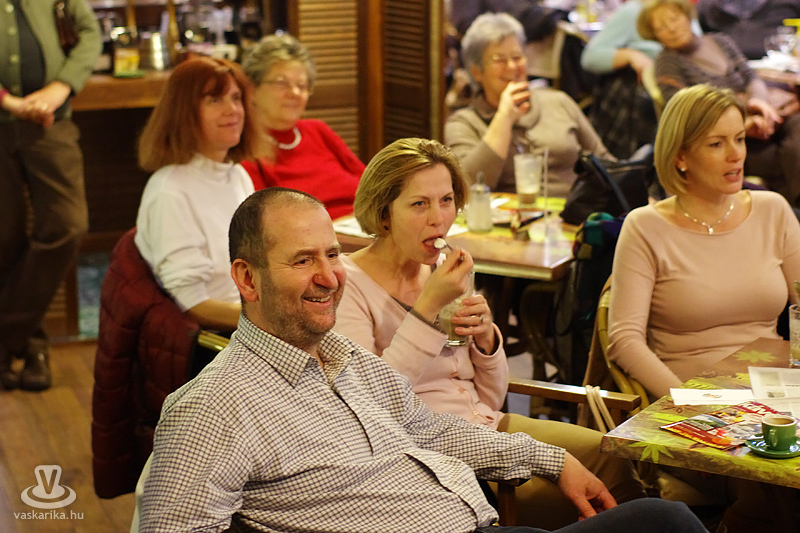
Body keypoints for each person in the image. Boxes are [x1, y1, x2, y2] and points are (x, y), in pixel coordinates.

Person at [138, 186, 707, 533]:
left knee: (666, 521)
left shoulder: (344, 358)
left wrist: (550, 459)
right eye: (302, 261)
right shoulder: (213, 407)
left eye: (333, 255)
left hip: (481, 522)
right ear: (247, 278)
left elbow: (431, 429)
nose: (329, 277)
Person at [332, 137, 646, 529]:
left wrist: (487, 341)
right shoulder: (349, 286)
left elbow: (490, 398)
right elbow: (369, 403)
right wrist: (427, 309)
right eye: (419, 204)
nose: (438, 218)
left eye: (447, 200)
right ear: (383, 214)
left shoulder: (445, 268)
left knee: (612, 458)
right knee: (586, 499)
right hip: (430, 452)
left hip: (487, 423)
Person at [608, 84, 800, 533]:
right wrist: (689, 406)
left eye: (740, 139)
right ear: (681, 157)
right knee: (771, 484)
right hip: (690, 402)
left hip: (774, 397)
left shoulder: (772, 210)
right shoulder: (645, 227)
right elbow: (624, 340)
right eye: (717, 144)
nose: (736, 155)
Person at [0, 0, 101, 390]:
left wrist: (61, 88)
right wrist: (10, 102)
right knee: (4, 237)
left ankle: (5, 340)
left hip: (51, 124)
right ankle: (31, 350)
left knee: (67, 225)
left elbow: (89, 32)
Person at [134, 57, 261, 334]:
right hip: (219, 336)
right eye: (215, 100)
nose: (232, 110)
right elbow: (193, 304)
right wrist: (271, 322)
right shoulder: (170, 190)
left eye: (236, 98)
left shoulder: (237, 174)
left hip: (252, 316)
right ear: (185, 112)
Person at [638, 0, 800, 206]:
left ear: (687, 16)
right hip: (723, 140)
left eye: (674, 19)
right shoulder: (667, 63)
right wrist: (743, 126)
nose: (671, 28)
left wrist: (759, 103)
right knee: (787, 159)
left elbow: (750, 77)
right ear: (654, 35)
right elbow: (687, 116)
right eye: (661, 26)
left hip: (759, 116)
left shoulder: (720, 41)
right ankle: (788, 213)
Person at [445, 12, 613, 198]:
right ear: (477, 72)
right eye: (499, 60)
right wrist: (504, 118)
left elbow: (606, 163)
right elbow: (469, 184)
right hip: (507, 215)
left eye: (517, 57)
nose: (512, 66)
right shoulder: (463, 123)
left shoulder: (558, 102)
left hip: (575, 210)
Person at [240, 33, 365, 220]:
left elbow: (372, 186)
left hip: (363, 226)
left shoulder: (318, 130)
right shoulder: (246, 148)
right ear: (251, 89)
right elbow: (266, 224)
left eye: (302, 85)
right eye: (282, 83)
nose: (295, 93)